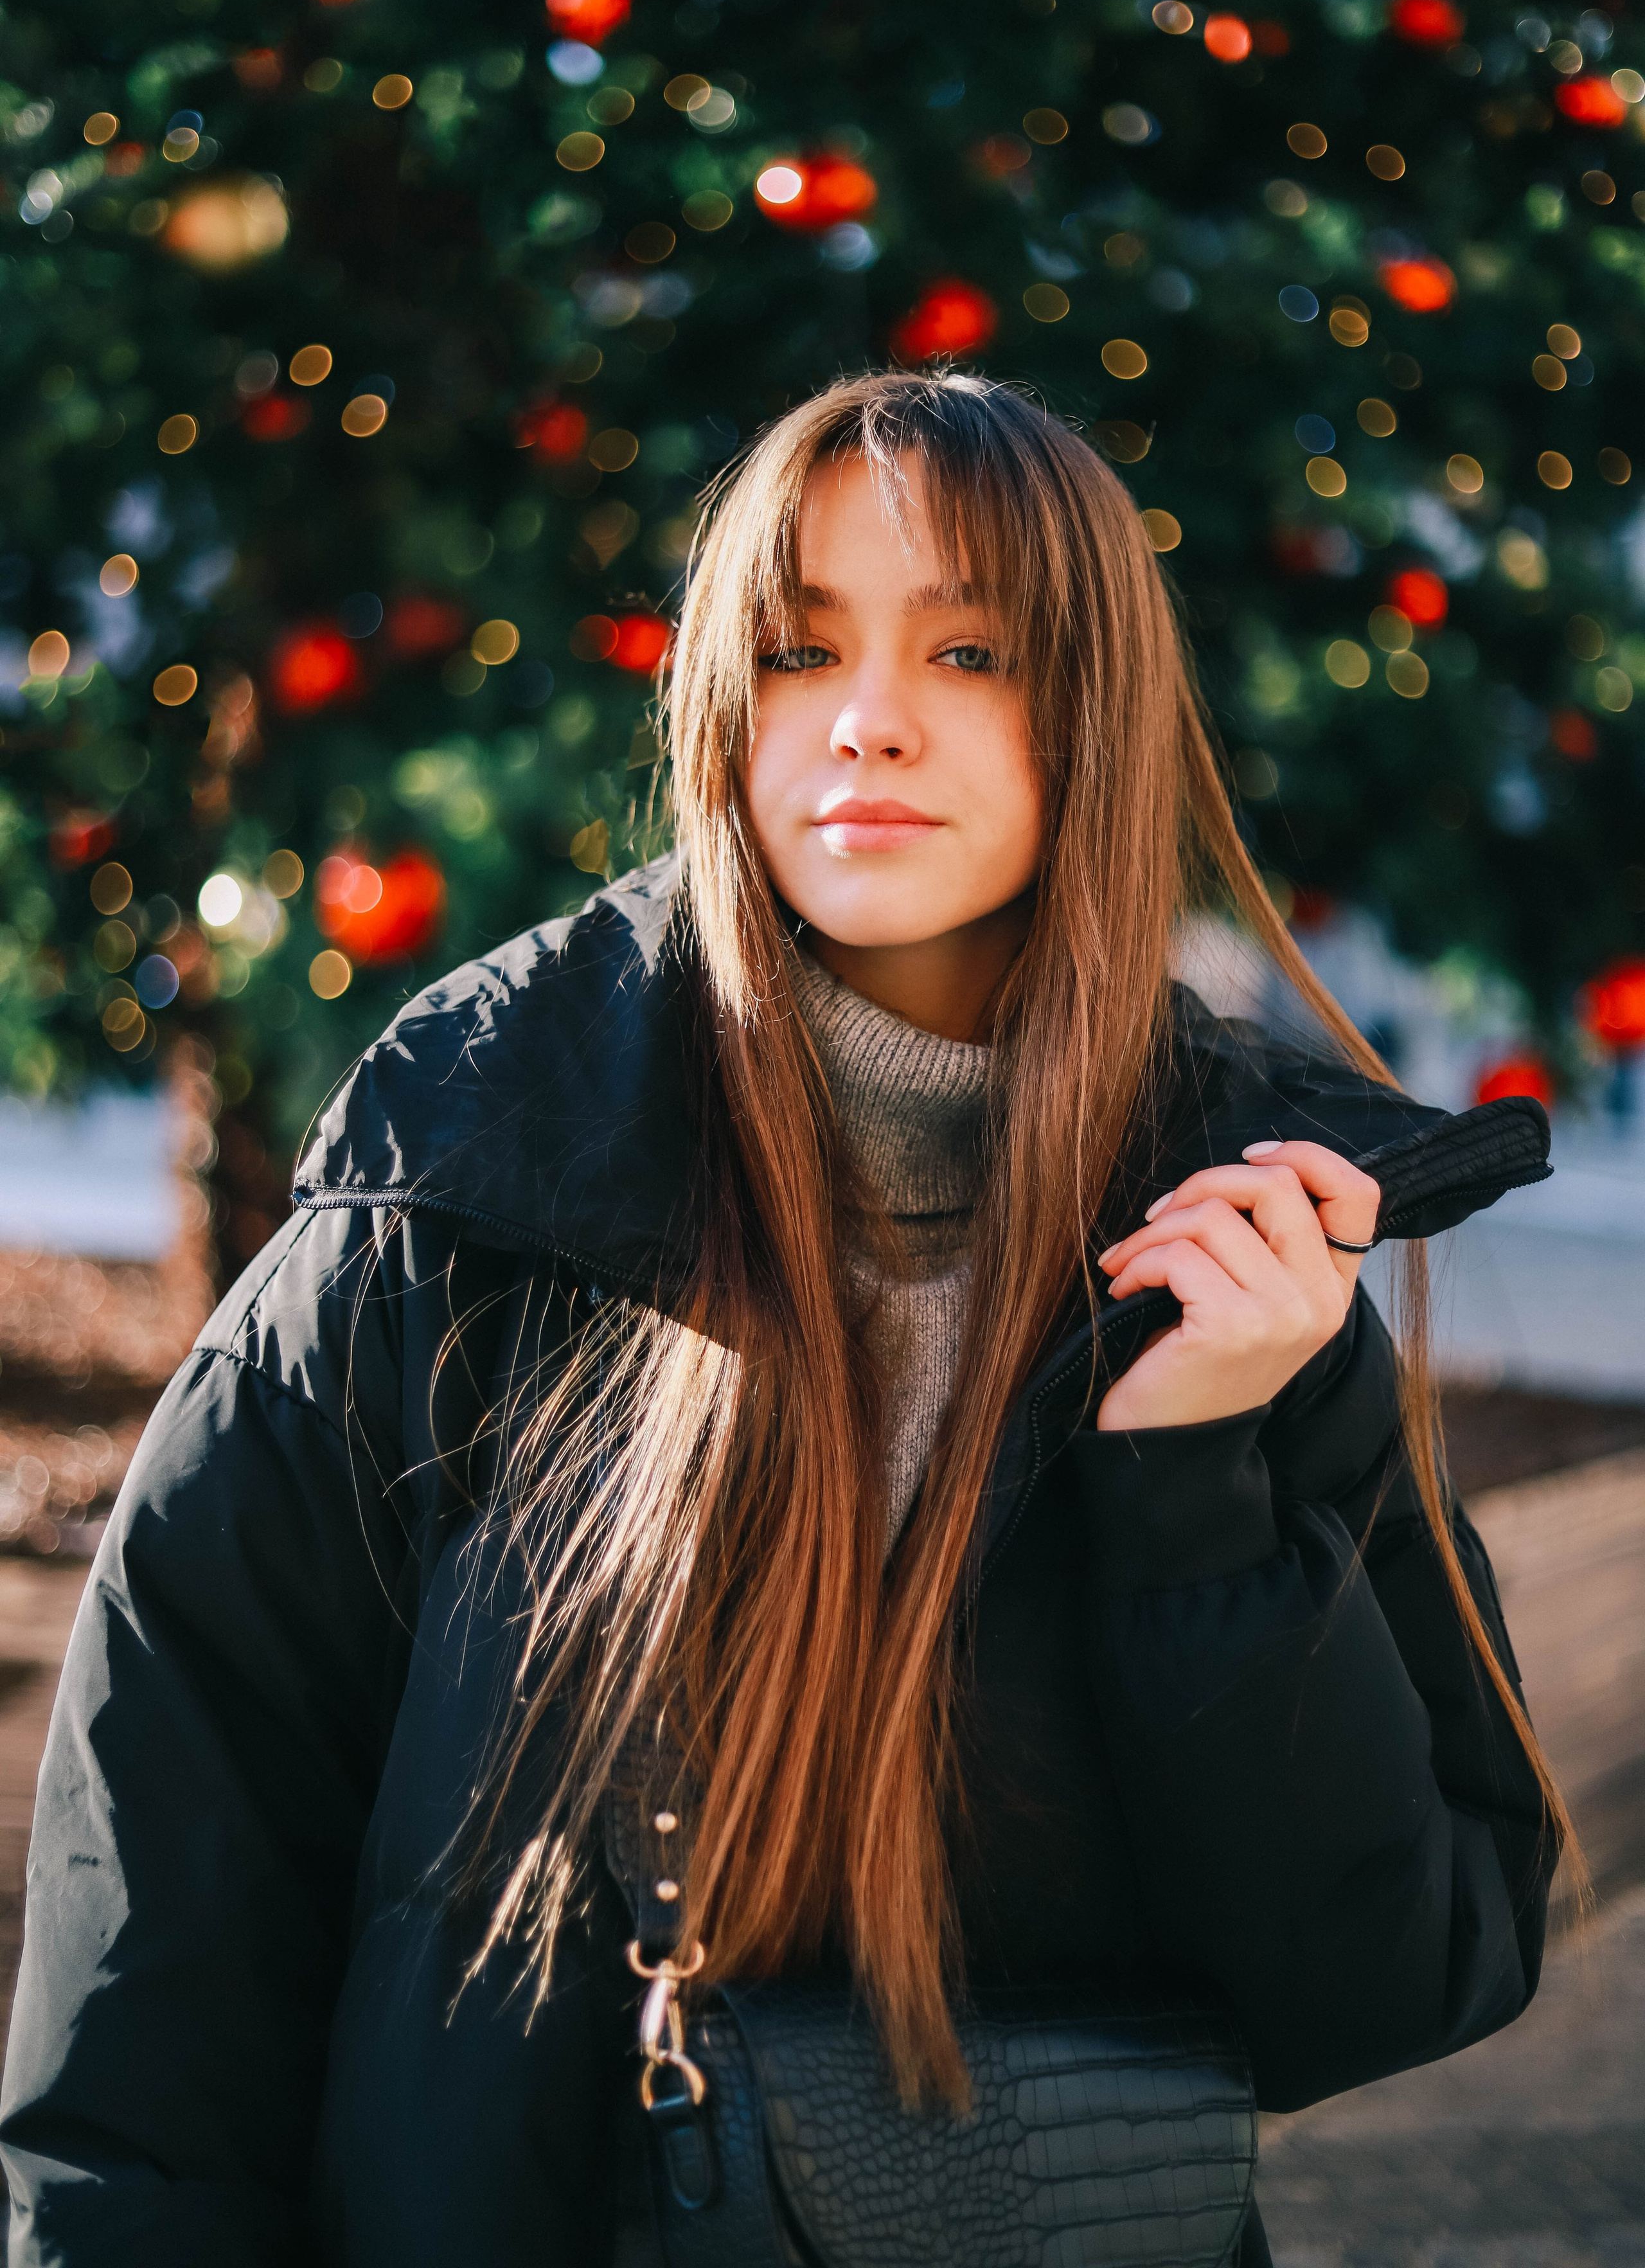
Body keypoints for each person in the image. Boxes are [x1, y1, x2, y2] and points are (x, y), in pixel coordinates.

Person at [0, 371, 1569, 2266]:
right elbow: (156, 1997)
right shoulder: (466, 1198)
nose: (870, 719)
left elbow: (1402, 1977)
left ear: (1097, 711)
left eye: (971, 651)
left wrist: (1193, 1490)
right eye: (797, 650)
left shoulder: (1237, 1243)